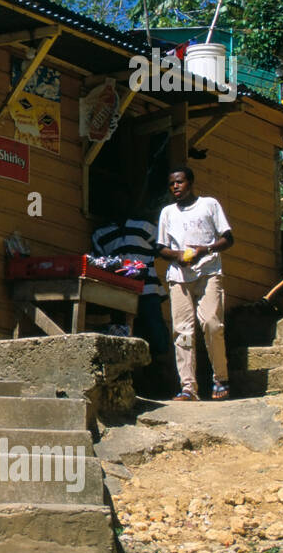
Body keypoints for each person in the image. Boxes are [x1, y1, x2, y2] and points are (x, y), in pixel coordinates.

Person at [154, 166, 235, 401]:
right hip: (179, 277)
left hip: (209, 271)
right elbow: (161, 248)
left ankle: (220, 379)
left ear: (190, 182)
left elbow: (228, 239)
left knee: (211, 324)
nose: (175, 187)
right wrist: (178, 255)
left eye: (179, 182)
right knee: (182, 331)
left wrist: (205, 249)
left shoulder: (209, 205)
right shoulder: (167, 213)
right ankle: (188, 387)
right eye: (172, 184)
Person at [92, 190, 171, 364]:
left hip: (148, 289)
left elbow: (162, 249)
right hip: (118, 292)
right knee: (123, 333)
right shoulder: (101, 234)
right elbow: (99, 262)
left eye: (122, 201)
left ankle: (160, 373)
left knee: (155, 331)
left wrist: (142, 266)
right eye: (113, 202)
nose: (118, 205)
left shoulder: (142, 226)